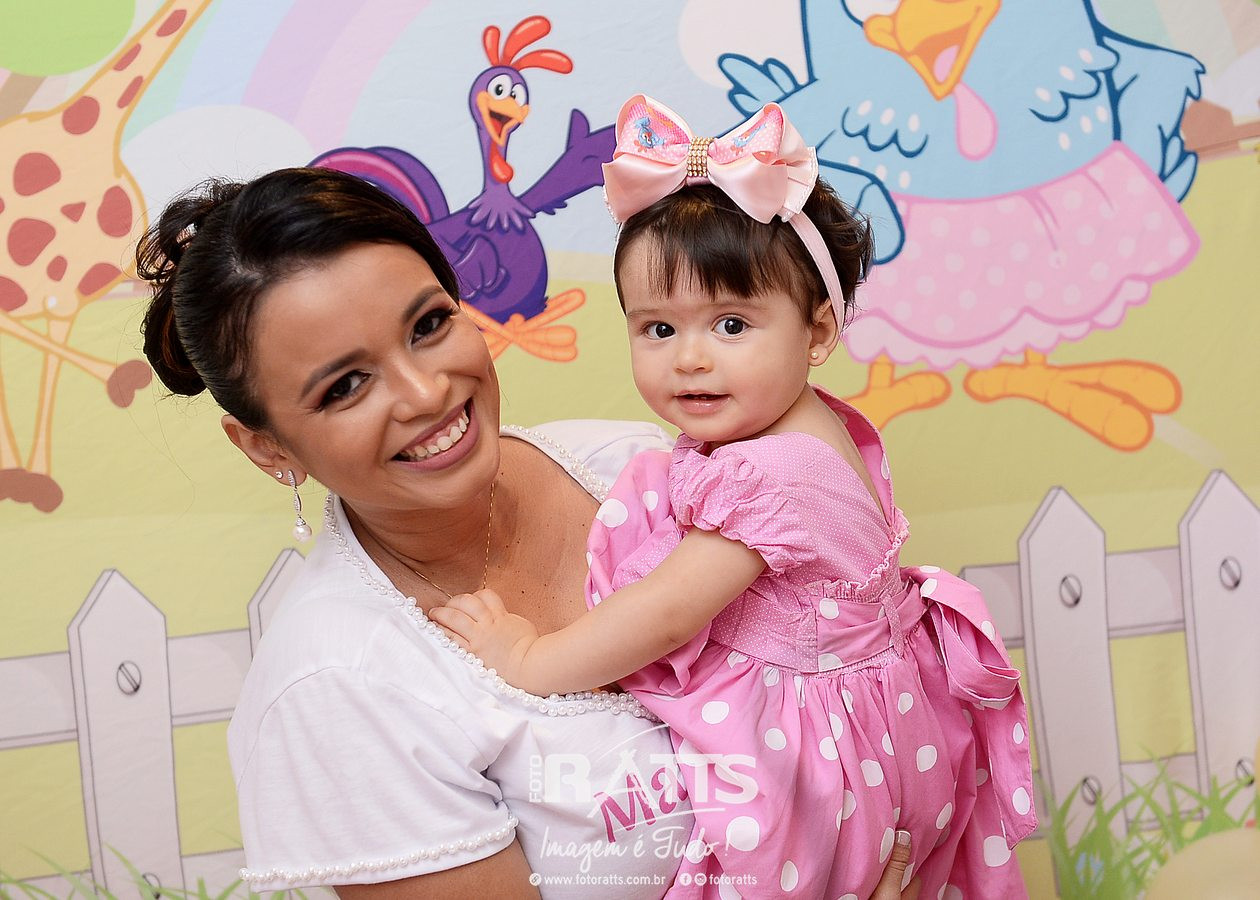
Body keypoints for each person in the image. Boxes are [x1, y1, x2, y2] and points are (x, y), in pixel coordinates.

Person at [137, 165, 923, 898]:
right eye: (346, 386)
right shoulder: (340, 685)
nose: (425, 392)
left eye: (428, 324)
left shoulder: (633, 463)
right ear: (268, 448)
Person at [432, 97, 1037, 899]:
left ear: (816, 331)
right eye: (658, 329)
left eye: (730, 325)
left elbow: (667, 612)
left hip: (823, 766)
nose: (689, 359)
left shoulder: (767, 476)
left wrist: (529, 658)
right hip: (891, 726)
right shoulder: (815, 427)